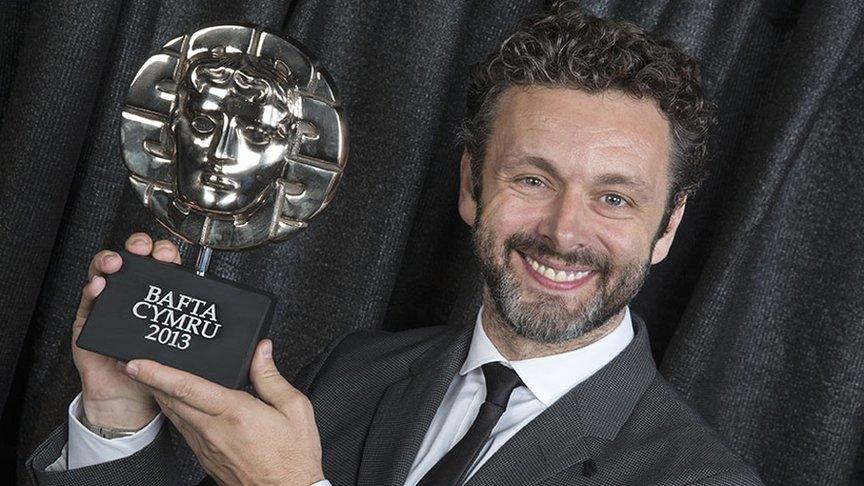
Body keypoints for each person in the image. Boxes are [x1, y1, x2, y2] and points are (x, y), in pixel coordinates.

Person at [26, 4, 764, 485]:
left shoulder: (700, 478)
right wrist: (115, 422)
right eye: (533, 179)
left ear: (666, 226)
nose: (565, 233)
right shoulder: (354, 372)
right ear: (473, 184)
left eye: (613, 198)